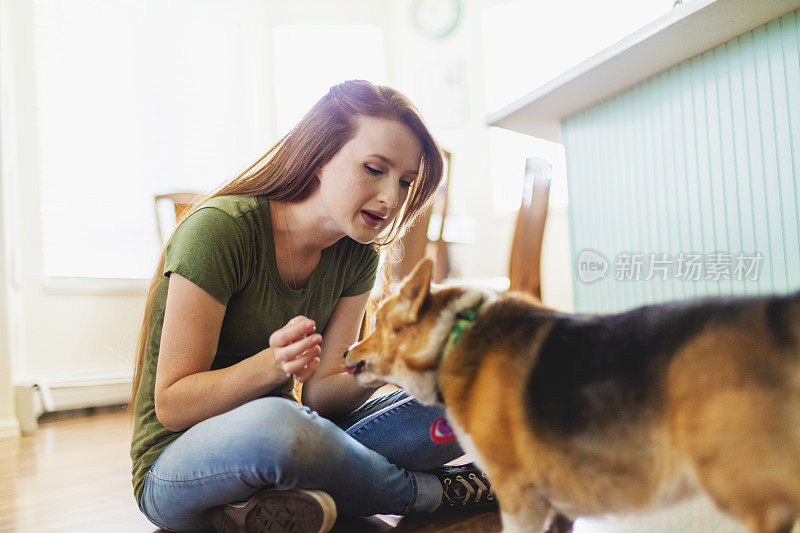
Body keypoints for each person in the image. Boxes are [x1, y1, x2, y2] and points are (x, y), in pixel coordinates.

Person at [129, 80, 495, 533]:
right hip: (179, 467)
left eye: (404, 182)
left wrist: (389, 361)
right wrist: (273, 364)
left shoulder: (360, 253)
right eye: (374, 169)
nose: (391, 198)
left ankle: (261, 511)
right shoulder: (221, 230)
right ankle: (435, 493)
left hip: (298, 446)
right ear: (321, 157)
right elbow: (172, 405)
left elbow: (322, 397)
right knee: (277, 424)